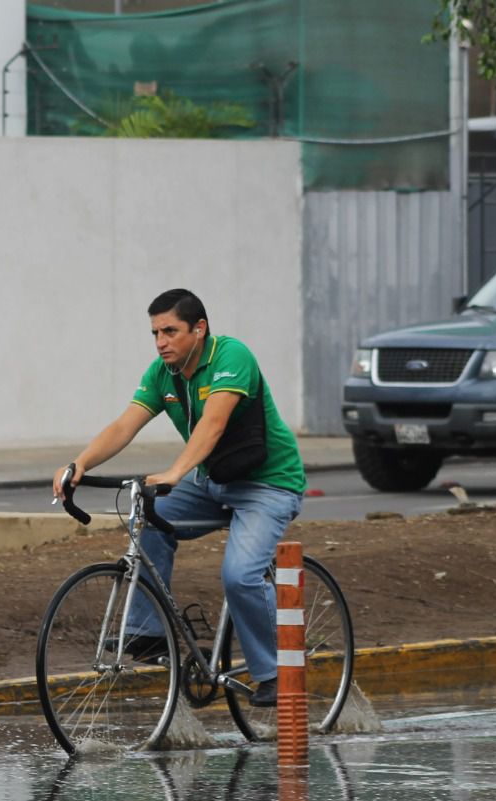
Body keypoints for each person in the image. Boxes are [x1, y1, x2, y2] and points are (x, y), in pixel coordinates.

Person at [52, 288, 306, 706]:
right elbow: (123, 426)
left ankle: (276, 672)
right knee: (147, 517)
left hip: (268, 485)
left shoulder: (231, 357)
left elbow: (214, 423)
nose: (160, 341)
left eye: (170, 331)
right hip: (211, 483)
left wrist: (174, 472)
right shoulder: (162, 373)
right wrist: (79, 465)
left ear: (199, 328)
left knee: (240, 575)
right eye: (155, 332)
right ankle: (149, 632)